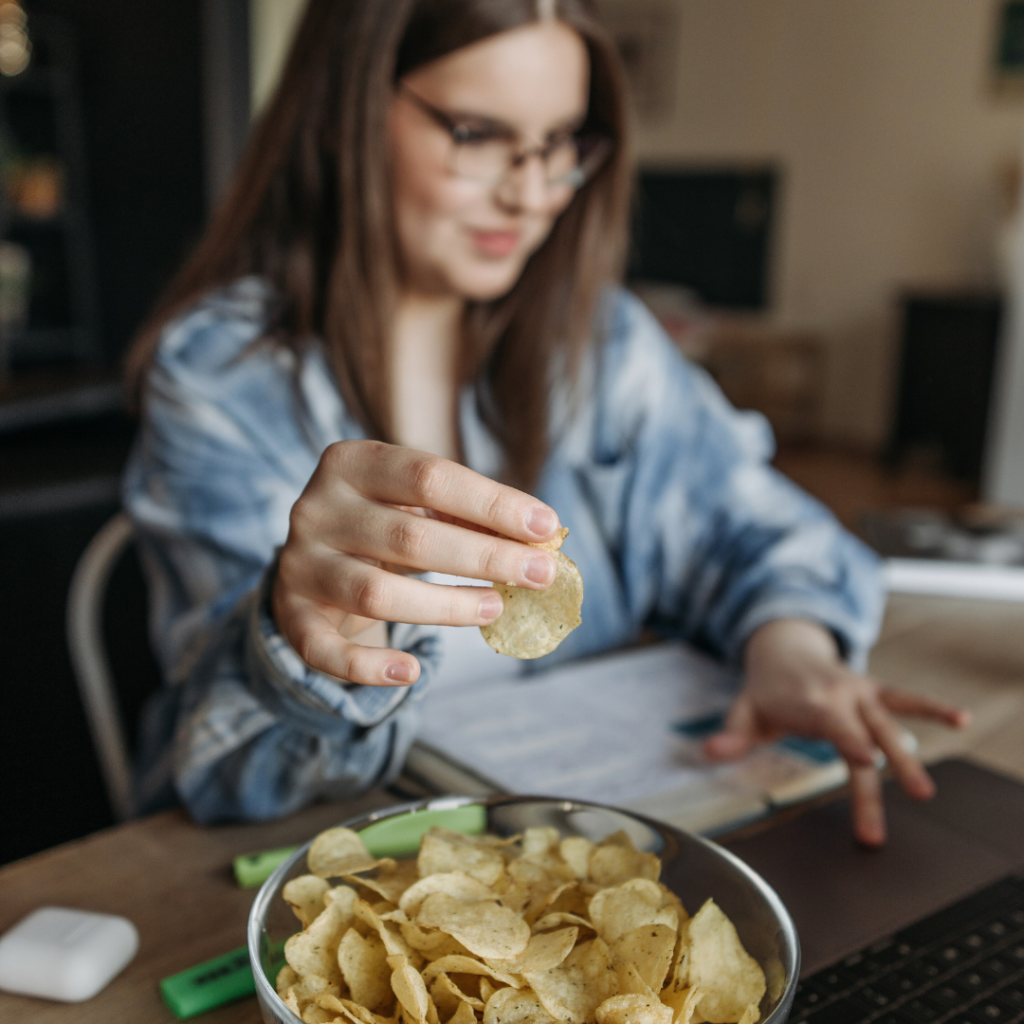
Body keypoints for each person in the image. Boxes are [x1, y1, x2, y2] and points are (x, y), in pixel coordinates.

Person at [124, 0, 967, 846]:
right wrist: (308, 636)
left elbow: (745, 524)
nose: (532, 194)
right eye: (477, 132)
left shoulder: (600, 342)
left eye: (563, 142)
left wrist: (794, 653)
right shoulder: (221, 377)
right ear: (347, 107)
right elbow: (221, 762)